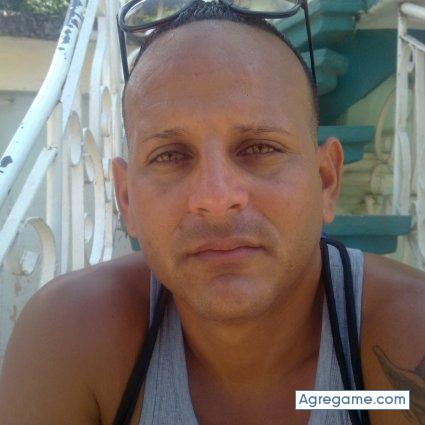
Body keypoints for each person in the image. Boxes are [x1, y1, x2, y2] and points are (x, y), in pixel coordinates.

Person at [0, 1, 424, 424]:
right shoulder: (70, 335)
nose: (216, 197)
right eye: (170, 155)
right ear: (127, 200)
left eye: (260, 148)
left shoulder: (408, 334)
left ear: (326, 181)